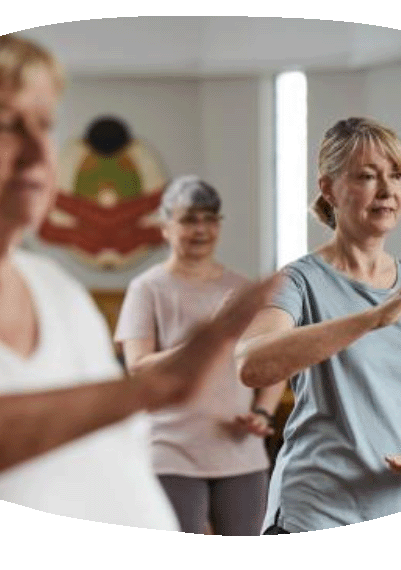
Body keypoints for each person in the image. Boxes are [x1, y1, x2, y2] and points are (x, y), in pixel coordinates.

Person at [0, 34, 279, 531]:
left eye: (44, 126)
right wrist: (153, 387)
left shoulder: (55, 289)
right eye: (1, 126)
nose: (38, 151)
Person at [235, 117, 401, 533]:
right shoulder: (299, 281)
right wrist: (372, 319)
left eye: (396, 176)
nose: (387, 190)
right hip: (315, 515)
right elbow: (251, 362)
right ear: (328, 189)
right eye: (367, 176)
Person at [115, 176, 286, 535]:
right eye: (189, 219)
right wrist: (209, 337)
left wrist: (262, 413)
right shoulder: (146, 288)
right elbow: (138, 367)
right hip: (171, 450)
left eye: (210, 219)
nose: (201, 229)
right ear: (165, 227)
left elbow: (272, 364)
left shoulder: (241, 289)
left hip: (240, 449)